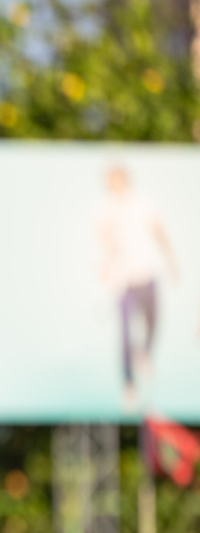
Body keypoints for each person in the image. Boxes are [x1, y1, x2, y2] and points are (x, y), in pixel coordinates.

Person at [94, 164, 179, 410]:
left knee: (153, 322)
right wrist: (107, 262)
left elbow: (158, 230)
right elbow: (102, 241)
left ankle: (144, 354)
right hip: (123, 282)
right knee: (125, 334)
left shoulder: (143, 202)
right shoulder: (105, 209)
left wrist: (171, 260)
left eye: (118, 181)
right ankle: (128, 384)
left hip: (147, 274)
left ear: (126, 180)